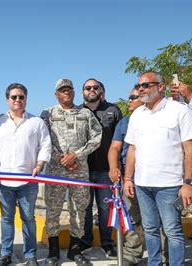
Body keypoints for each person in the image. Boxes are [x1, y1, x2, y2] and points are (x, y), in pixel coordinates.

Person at [123, 71, 192, 265]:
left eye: (145, 85)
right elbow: (132, 149)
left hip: (170, 185)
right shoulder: (137, 115)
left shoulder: (179, 110)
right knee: (150, 229)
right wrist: (128, 179)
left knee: (173, 231)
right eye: (139, 86)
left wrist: (188, 183)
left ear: (161, 87)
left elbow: (190, 150)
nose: (141, 89)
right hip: (142, 185)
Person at [0, 83, 52, 266]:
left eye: (21, 97)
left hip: (29, 180)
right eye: (14, 97)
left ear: (26, 99)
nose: (17, 100)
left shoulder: (37, 123)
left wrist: (39, 165)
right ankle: (6, 253)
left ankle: (30, 255)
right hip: (4, 182)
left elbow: (46, 145)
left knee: (28, 218)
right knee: (6, 218)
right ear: (7, 100)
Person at [40, 79, 102, 265]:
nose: (66, 92)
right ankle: (53, 251)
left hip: (79, 171)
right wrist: (64, 160)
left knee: (80, 210)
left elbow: (96, 137)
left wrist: (76, 156)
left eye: (69, 89)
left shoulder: (85, 113)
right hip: (55, 171)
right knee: (53, 210)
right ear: (56, 94)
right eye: (62, 90)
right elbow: (44, 141)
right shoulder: (48, 114)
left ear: (74, 92)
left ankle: (75, 250)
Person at [80, 78, 123, 259]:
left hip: (107, 171)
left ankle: (107, 243)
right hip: (82, 170)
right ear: (83, 92)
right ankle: (86, 241)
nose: (91, 90)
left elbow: (121, 140)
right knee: (85, 207)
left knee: (106, 209)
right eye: (88, 88)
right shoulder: (77, 112)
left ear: (101, 90)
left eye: (95, 87)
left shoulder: (113, 110)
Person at [107, 88, 144, 265]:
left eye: (132, 97)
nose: (129, 101)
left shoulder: (158, 117)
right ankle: (132, 255)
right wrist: (114, 168)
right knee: (131, 218)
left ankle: (162, 256)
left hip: (156, 178)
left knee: (159, 221)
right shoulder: (124, 123)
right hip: (130, 179)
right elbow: (115, 148)